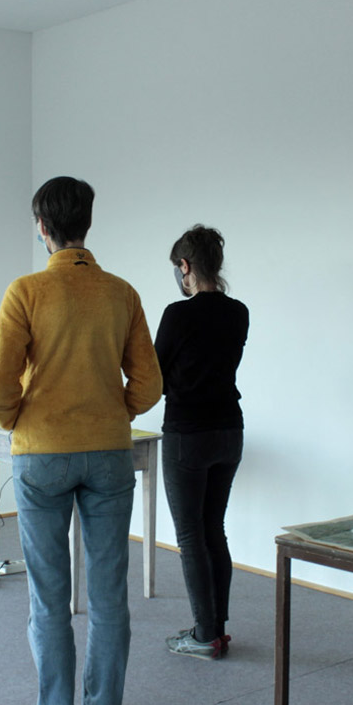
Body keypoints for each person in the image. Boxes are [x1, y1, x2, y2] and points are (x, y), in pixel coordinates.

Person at [0, 176, 162, 705]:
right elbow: (149, 384)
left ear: (42, 227)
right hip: (109, 453)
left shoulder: (26, 291)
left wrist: (18, 419)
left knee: (48, 597)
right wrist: (112, 412)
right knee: (109, 595)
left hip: (42, 454)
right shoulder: (122, 293)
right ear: (87, 223)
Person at [153, 225, 249, 661]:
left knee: (191, 536)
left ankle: (203, 635)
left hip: (187, 434)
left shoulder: (178, 314)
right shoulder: (239, 312)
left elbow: (155, 376)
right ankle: (216, 630)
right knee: (214, 529)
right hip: (229, 430)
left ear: (185, 265)